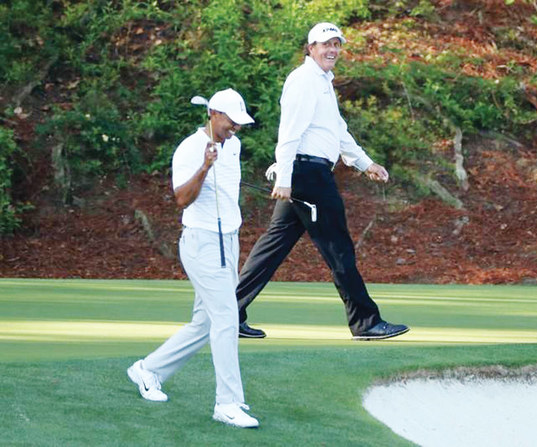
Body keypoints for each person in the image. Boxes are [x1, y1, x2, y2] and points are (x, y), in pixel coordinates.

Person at [237, 23, 409, 341]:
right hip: (309, 176)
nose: (332, 50)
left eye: (336, 44)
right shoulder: (303, 80)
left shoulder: (323, 83)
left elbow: (338, 131)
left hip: (307, 174)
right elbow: (289, 133)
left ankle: (228, 314)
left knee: (271, 248)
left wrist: (366, 164)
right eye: (325, 44)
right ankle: (366, 323)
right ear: (311, 48)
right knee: (338, 247)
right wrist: (284, 178)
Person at [127, 89, 259, 428]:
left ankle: (148, 370)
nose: (236, 128)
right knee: (227, 318)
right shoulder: (189, 149)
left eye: (239, 123)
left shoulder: (234, 145)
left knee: (205, 322)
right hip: (202, 242)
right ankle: (227, 403)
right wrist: (205, 166)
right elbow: (182, 199)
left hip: (228, 241)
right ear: (213, 114)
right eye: (231, 122)